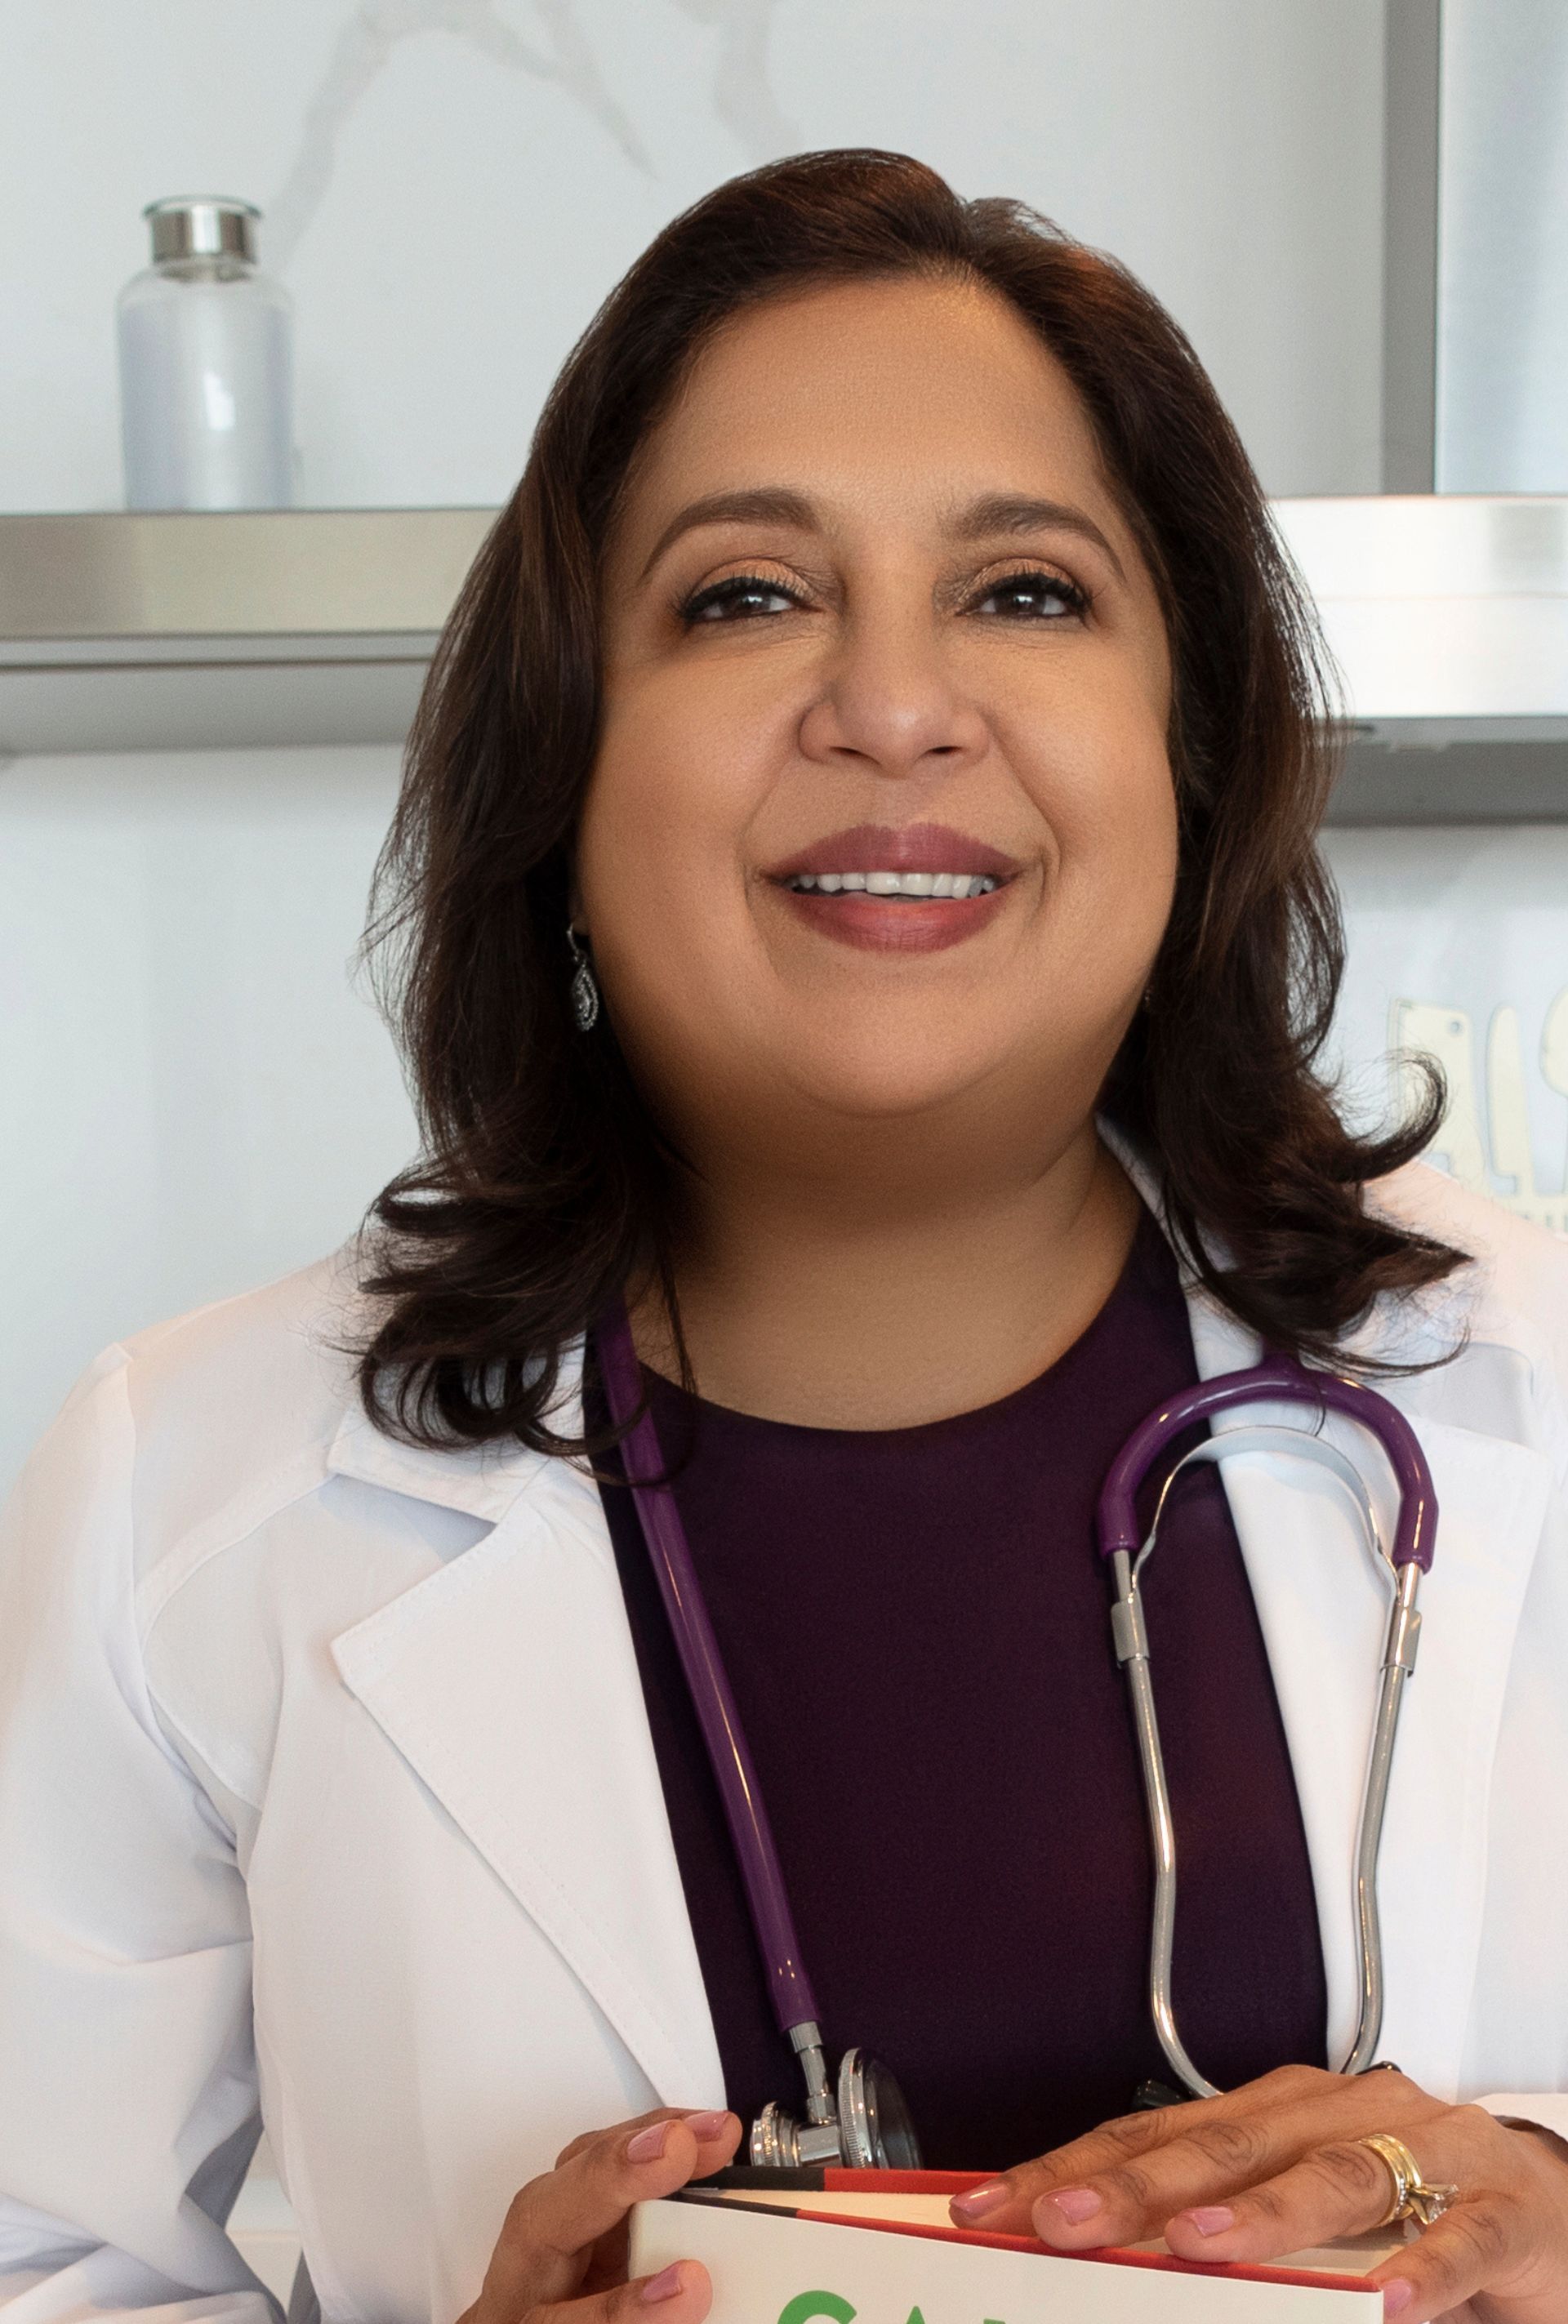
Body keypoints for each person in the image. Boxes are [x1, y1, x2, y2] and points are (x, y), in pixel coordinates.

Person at [2, 150, 1567, 2324]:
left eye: (1027, 592)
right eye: (745, 595)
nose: (895, 704)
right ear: (563, 766)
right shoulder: (184, 1495)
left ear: (1187, 755)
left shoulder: (1539, 1387)